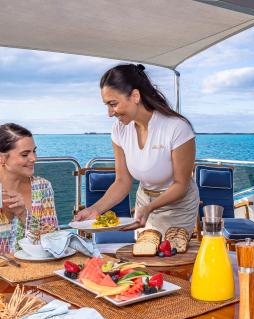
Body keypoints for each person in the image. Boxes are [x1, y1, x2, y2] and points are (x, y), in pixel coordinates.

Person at [75, 63, 199, 236]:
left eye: (113, 104)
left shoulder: (177, 128)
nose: (110, 113)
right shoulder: (119, 129)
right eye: (107, 105)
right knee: (144, 253)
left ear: (135, 96)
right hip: (144, 203)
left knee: (168, 256)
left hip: (177, 206)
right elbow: (122, 181)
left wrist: (151, 207)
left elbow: (181, 184)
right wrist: (95, 209)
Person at [0, 123, 58, 254]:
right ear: (2, 158)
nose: (34, 158)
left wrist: (23, 214)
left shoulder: (43, 187)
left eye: (34, 151)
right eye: (25, 154)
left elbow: (52, 243)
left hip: (33, 269)